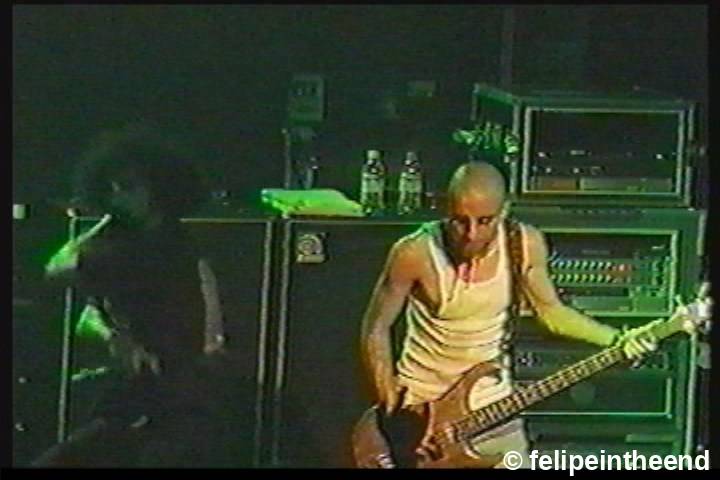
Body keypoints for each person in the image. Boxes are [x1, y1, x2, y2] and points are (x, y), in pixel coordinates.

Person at [359, 161, 661, 468]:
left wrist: (617, 339)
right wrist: (390, 401)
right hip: (422, 418)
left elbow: (551, 311)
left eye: (485, 221)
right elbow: (376, 326)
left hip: (493, 410)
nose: (471, 234)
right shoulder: (415, 252)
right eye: (460, 221)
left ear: (505, 210)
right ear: (445, 210)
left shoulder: (524, 245)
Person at [33, 124, 253, 467]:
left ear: (157, 189)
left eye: (128, 186)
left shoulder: (177, 248)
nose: (117, 195)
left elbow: (210, 315)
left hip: (170, 389)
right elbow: (57, 270)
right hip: (132, 385)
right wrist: (104, 222)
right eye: (111, 188)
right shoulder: (117, 243)